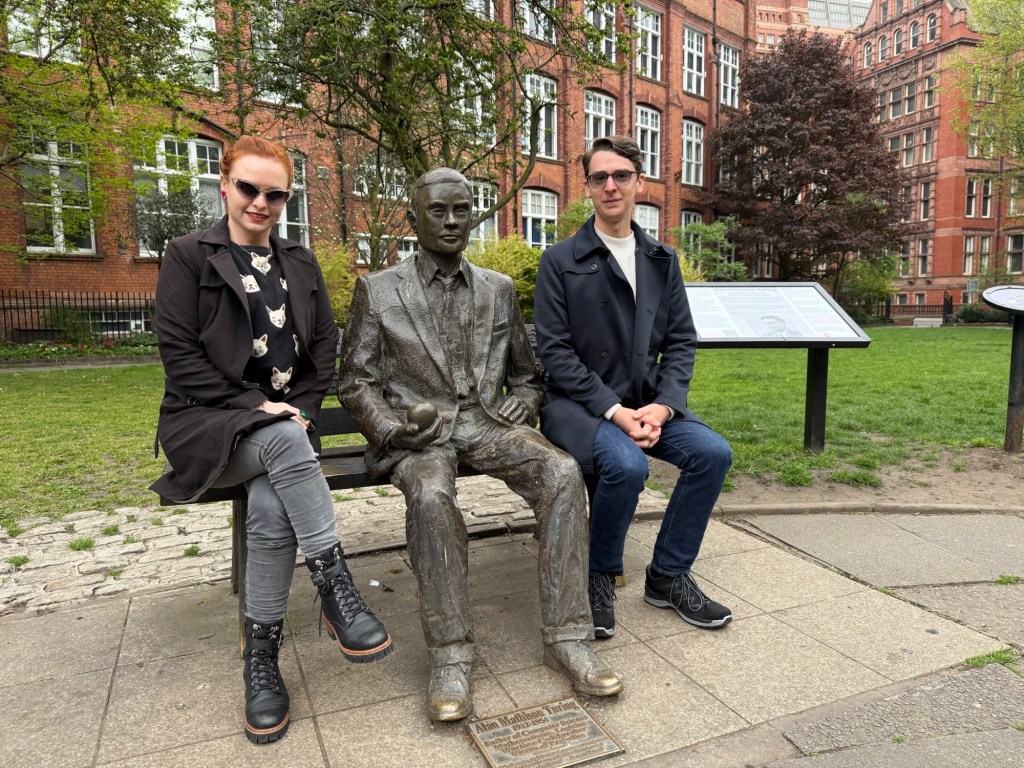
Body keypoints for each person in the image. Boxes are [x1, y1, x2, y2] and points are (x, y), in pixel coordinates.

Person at [339, 168, 623, 722]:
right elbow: (355, 380)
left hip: (486, 422)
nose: (451, 221)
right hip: (419, 433)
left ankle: (567, 635)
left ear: (474, 215)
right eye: (438, 211)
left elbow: (528, 373)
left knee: (563, 473)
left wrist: (526, 399)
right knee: (430, 498)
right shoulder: (378, 290)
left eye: (462, 210)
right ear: (412, 217)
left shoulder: (496, 288)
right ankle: (450, 653)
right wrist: (391, 430)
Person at [150, 135, 392, 745]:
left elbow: (325, 348)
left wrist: (301, 410)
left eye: (275, 193)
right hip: (209, 424)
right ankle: (336, 588)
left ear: (287, 196)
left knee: (269, 504)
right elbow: (180, 358)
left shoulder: (300, 263)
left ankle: (262, 665)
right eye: (249, 188)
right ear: (225, 185)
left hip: (282, 435)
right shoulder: (188, 255)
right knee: (284, 439)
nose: (261, 202)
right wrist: (261, 406)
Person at [533, 135, 733, 641]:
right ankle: (600, 576)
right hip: (579, 405)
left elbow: (682, 341)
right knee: (625, 464)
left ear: (639, 182)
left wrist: (664, 407)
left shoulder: (661, 259)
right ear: (588, 187)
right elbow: (555, 353)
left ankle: (666, 575)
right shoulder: (560, 259)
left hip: (647, 403)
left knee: (712, 454)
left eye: (621, 175)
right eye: (599, 177)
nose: (611, 186)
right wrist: (616, 412)